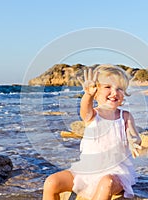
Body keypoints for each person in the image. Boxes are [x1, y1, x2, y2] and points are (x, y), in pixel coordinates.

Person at [43, 64, 142, 200]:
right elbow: (85, 109)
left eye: (120, 89)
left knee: (106, 184)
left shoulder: (124, 116)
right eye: (108, 87)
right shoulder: (92, 115)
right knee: (51, 182)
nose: (114, 92)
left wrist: (133, 141)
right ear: (96, 92)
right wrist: (87, 95)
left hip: (116, 173)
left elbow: (134, 135)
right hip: (86, 170)